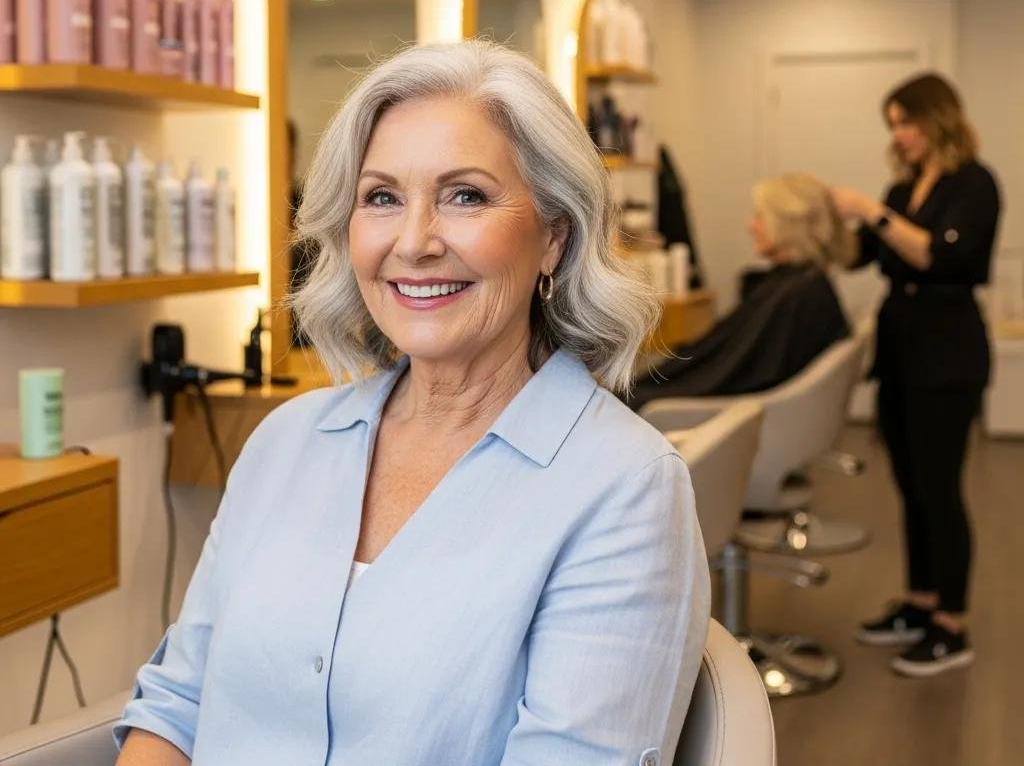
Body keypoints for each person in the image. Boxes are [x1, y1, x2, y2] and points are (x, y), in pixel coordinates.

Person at [114, 41, 710, 765]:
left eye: (466, 196)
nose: (414, 241)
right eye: (382, 198)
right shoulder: (285, 441)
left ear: (554, 236)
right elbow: (179, 705)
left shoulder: (624, 487)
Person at [831, 72, 1000, 678]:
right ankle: (921, 601)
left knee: (940, 489)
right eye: (893, 125)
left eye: (905, 122)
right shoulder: (905, 188)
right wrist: (823, 221)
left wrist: (872, 212)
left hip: (948, 355)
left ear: (937, 118)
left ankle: (951, 624)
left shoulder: (974, 184)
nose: (898, 135)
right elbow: (863, 255)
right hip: (902, 353)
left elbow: (939, 254)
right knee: (910, 484)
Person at [629, 172, 853, 410]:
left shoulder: (798, 295)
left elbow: (734, 375)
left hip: (733, 414)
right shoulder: (803, 285)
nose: (751, 226)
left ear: (787, 225)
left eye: (760, 217)